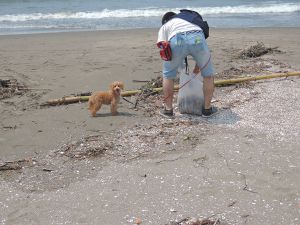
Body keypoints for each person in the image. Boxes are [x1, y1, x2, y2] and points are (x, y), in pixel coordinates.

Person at [157, 10, 217, 117]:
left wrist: (173, 62)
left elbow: (162, 46)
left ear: (165, 21)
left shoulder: (165, 26)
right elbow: (201, 46)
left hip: (176, 39)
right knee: (208, 75)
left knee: (168, 76)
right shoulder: (189, 18)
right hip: (197, 37)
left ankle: (168, 110)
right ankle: (207, 110)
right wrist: (199, 66)